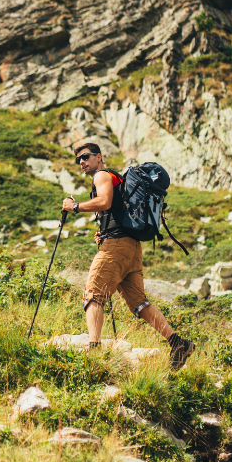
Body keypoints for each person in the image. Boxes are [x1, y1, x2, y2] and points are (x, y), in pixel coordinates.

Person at [62, 143, 195, 369]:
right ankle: (178, 343)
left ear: (99, 157)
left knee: (93, 294)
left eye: (85, 157)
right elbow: (116, 211)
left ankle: (93, 353)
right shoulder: (116, 179)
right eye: (78, 160)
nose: (82, 162)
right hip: (131, 248)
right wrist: (104, 232)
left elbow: (103, 201)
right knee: (139, 303)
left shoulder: (102, 175)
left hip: (117, 247)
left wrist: (74, 206)